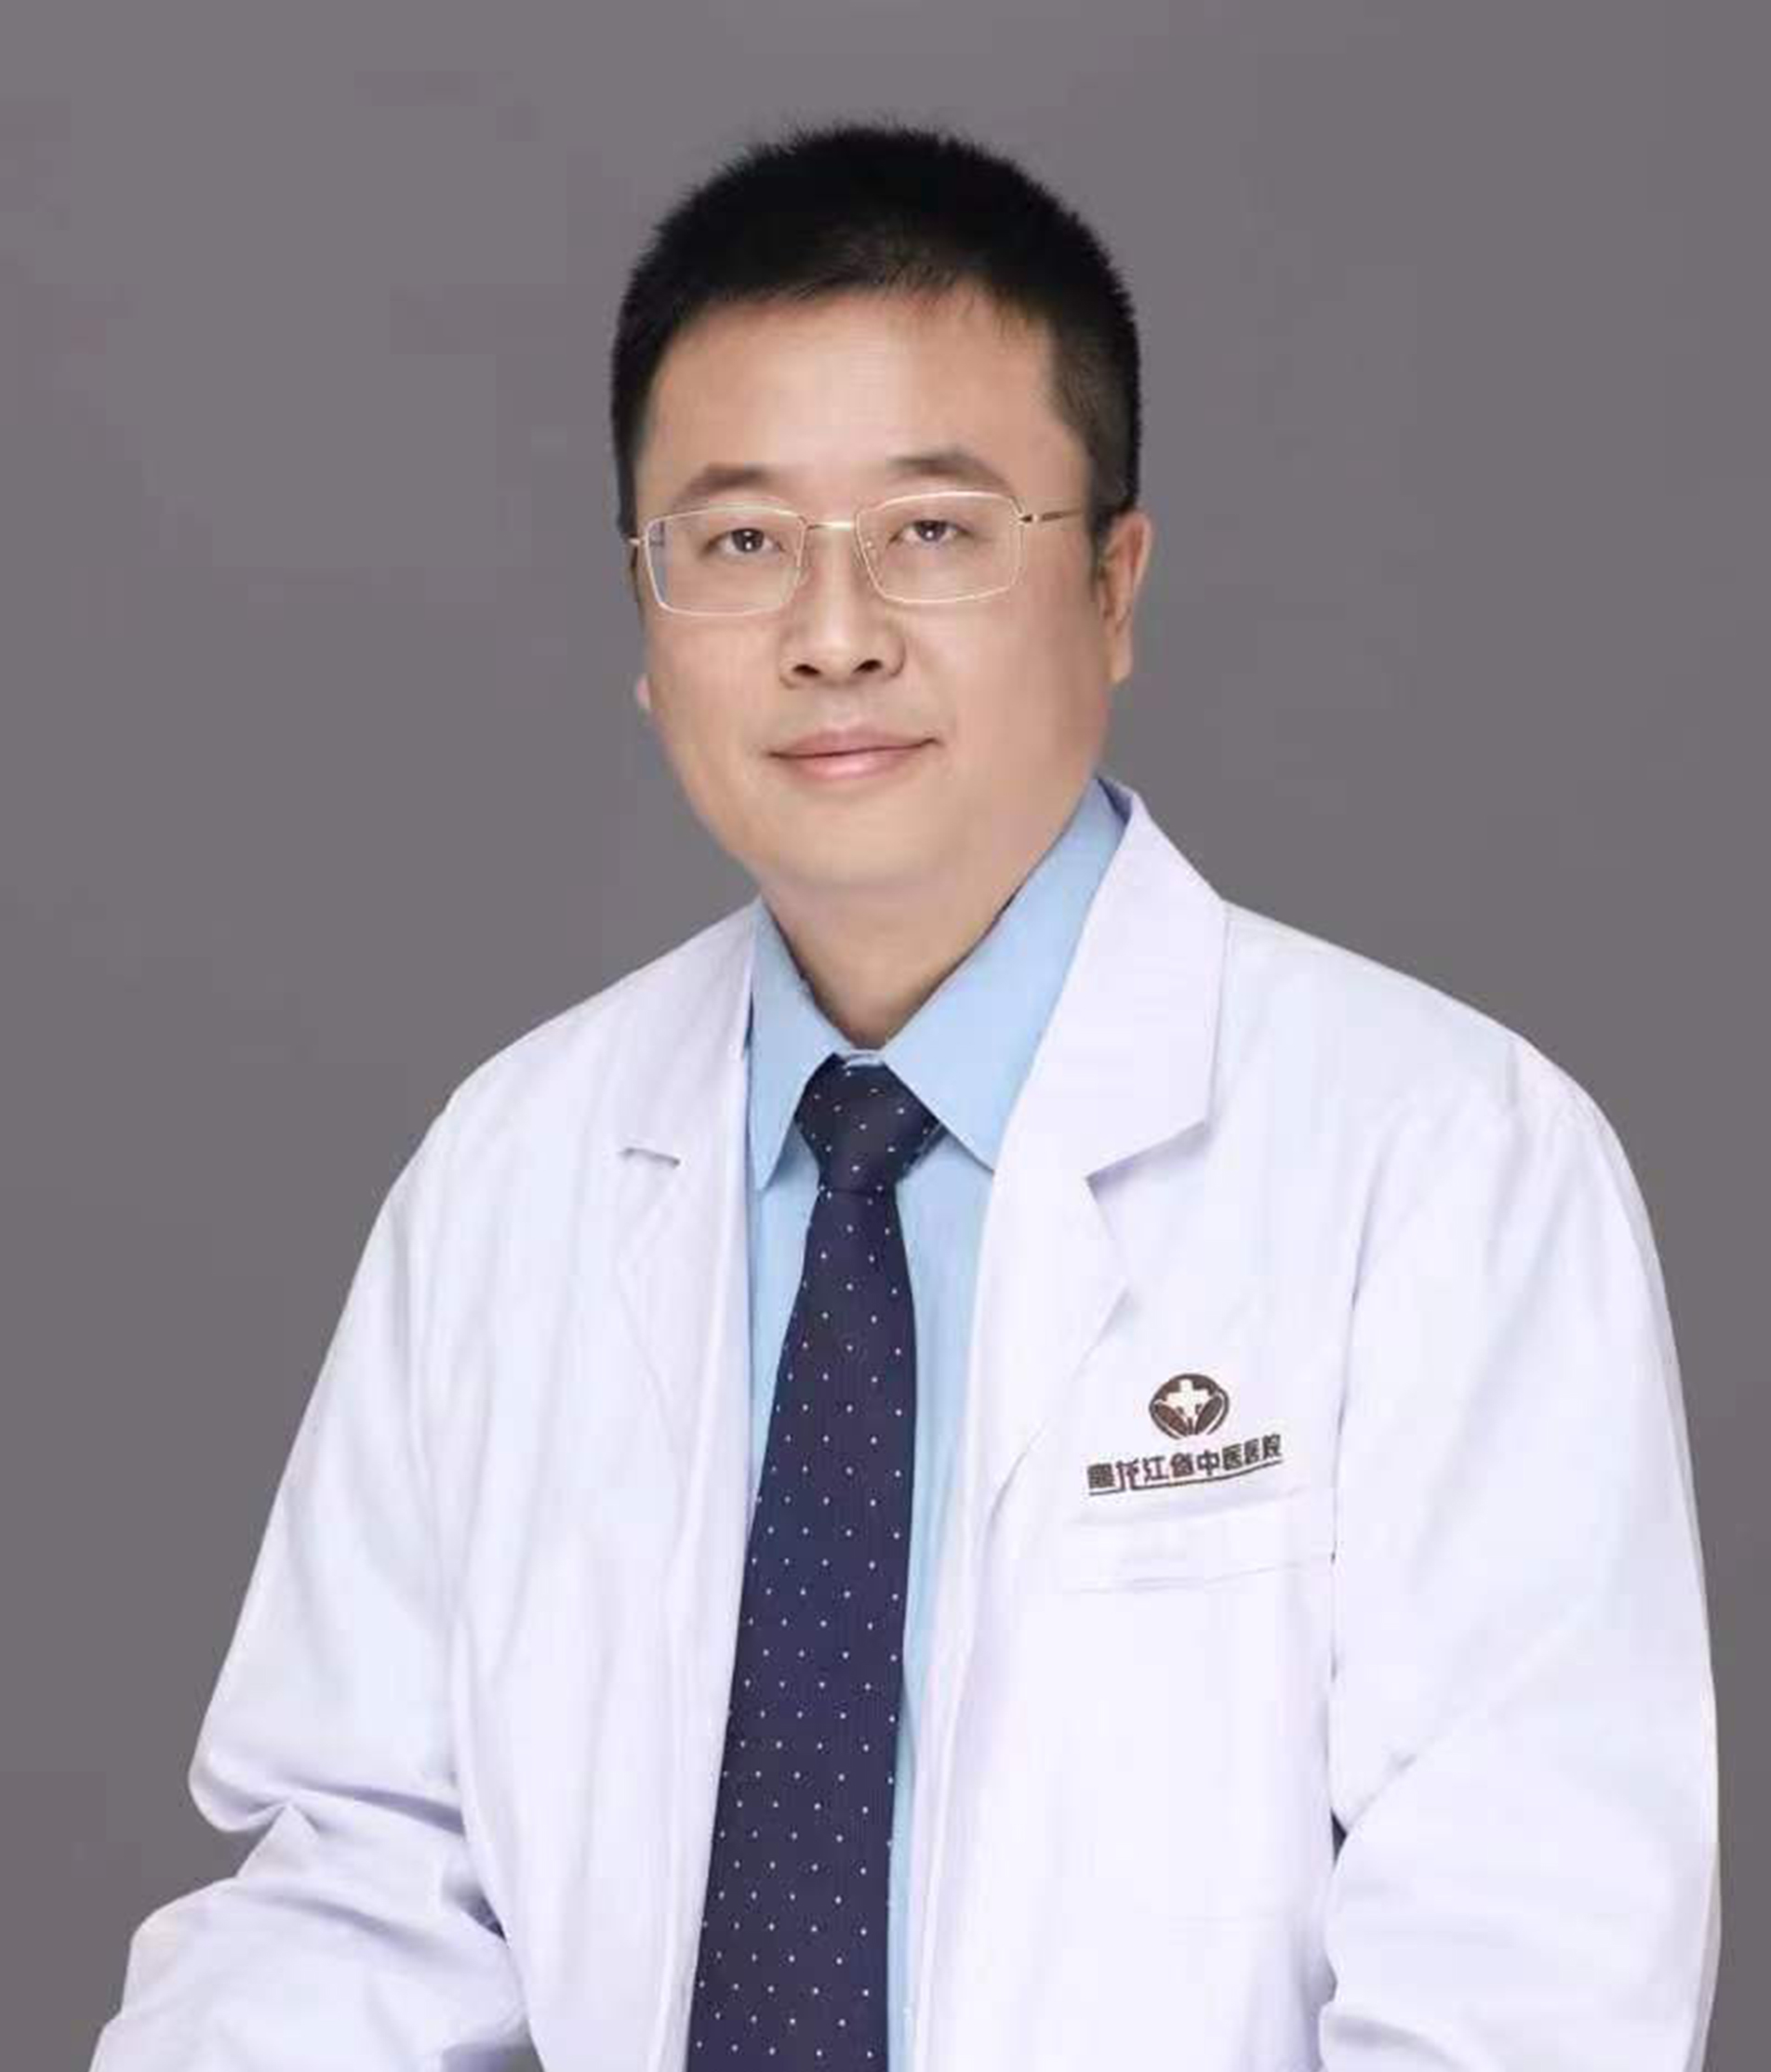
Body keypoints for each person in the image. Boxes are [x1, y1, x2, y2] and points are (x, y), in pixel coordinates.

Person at [91, 118, 1719, 2072]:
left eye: (936, 533)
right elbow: (366, 1888)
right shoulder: (511, 1170)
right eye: (740, 543)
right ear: (644, 618)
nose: (833, 631)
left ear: (1113, 586)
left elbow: (1526, 1983)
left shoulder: (1446, 1165)